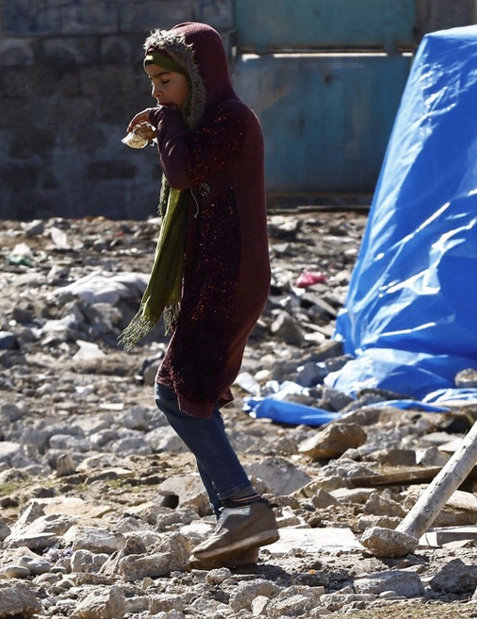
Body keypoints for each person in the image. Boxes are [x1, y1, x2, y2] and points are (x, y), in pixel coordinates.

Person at [120, 22, 278, 569]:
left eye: (167, 81)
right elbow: (186, 169)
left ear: (198, 75)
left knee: (176, 389)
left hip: (231, 276)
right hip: (215, 275)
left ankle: (242, 506)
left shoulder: (232, 120)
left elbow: (183, 174)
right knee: (192, 391)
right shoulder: (207, 123)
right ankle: (236, 529)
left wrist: (165, 124)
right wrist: (168, 123)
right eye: (154, 84)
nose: (159, 94)